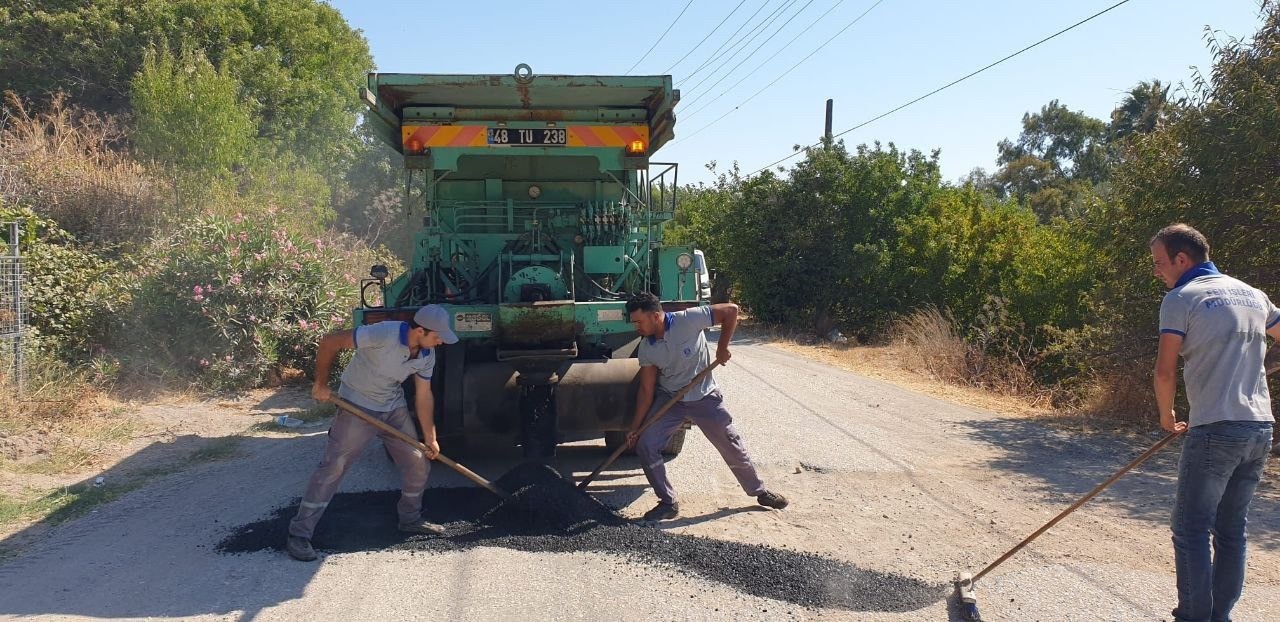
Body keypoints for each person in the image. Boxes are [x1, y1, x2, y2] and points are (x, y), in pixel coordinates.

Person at [1150, 223, 1279, 621]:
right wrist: (1260, 369)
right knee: (1231, 529)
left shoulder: (1181, 297)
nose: (1157, 271)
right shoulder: (1252, 294)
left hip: (1215, 430)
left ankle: (1194, 616)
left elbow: (1164, 371)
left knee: (1190, 529)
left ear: (1182, 259)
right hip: (1259, 427)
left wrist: (1167, 416)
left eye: (1159, 262)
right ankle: (1217, 616)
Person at [285, 304, 459, 561]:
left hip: (393, 407)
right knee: (334, 466)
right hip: (357, 405)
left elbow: (424, 396)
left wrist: (430, 437)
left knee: (417, 463)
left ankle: (409, 519)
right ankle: (299, 534)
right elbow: (330, 341)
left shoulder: (426, 355)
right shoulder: (383, 334)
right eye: (437, 335)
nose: (442, 341)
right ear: (420, 330)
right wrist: (320, 384)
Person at [624, 292, 788, 521]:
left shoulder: (688, 320)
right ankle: (668, 502)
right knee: (646, 444)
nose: (636, 327)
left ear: (655, 316)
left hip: (705, 396)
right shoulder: (647, 348)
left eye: (638, 321)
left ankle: (759, 491)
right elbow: (646, 390)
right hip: (671, 400)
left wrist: (722, 348)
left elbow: (731, 311)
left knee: (731, 445)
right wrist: (635, 427)